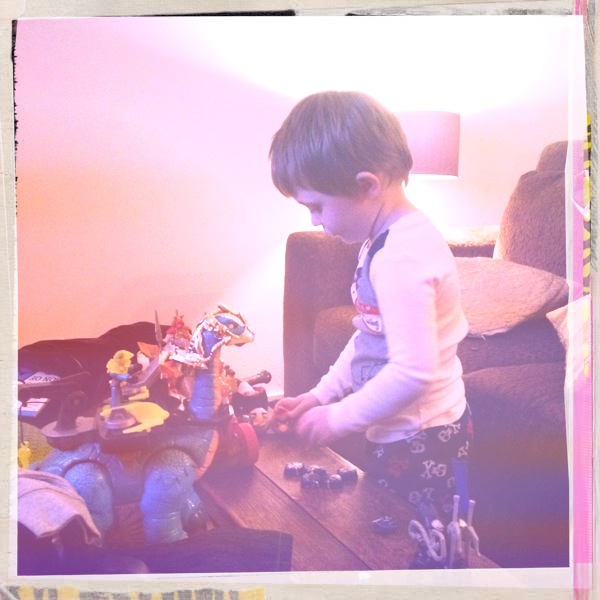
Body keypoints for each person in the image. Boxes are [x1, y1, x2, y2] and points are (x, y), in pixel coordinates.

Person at [269, 90, 472, 519]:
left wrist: (337, 419)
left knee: (414, 540)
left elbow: (413, 372)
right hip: (402, 432)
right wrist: (319, 395)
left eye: (317, 206)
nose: (315, 221)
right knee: (385, 527)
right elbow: (369, 337)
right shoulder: (380, 241)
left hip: (423, 438)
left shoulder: (402, 257)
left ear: (367, 185)